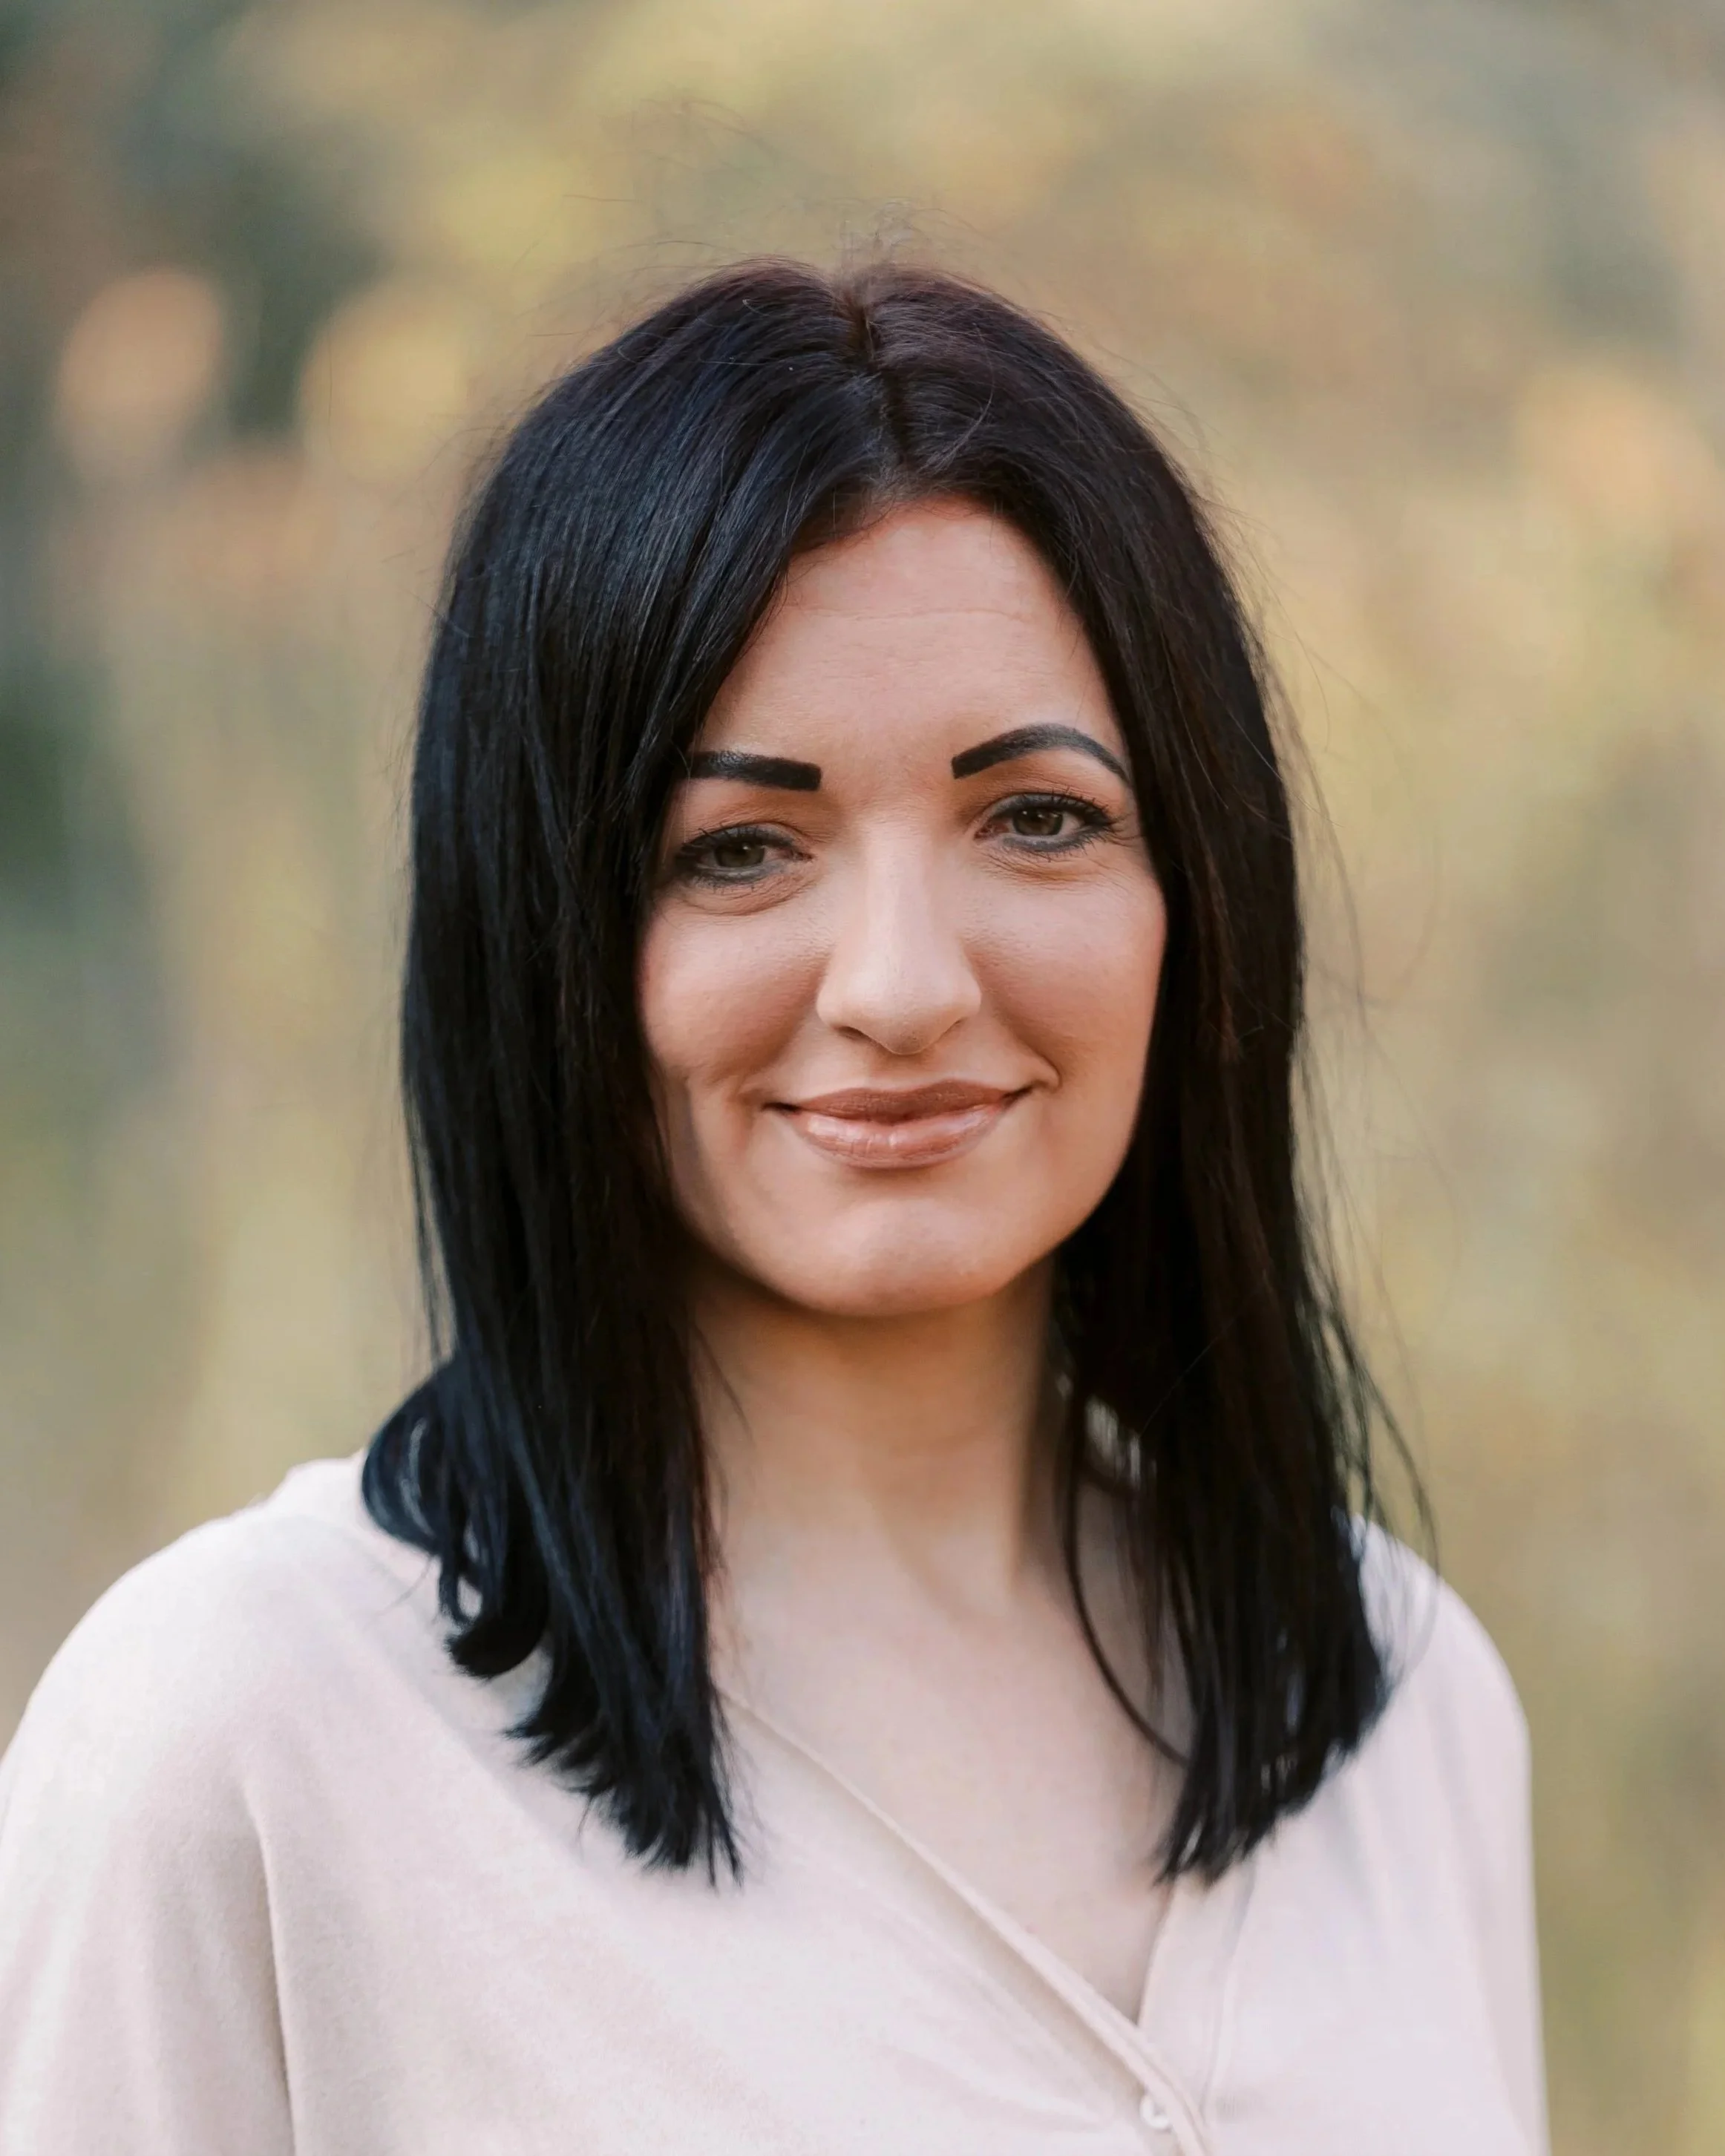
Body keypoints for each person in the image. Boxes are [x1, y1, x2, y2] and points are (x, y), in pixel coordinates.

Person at [0, 261, 1545, 2155]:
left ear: (1198, 900)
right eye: (738, 849)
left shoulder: (1399, 1704)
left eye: (1037, 817)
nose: (899, 984)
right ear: (550, 939)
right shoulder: (239, 1741)